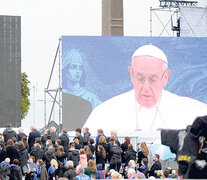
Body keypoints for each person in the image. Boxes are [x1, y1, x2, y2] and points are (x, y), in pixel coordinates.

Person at [84, 44, 207, 132]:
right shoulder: (104, 112)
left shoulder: (195, 112)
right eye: (140, 78)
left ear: (166, 77)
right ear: (131, 74)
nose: (146, 88)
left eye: (153, 79)